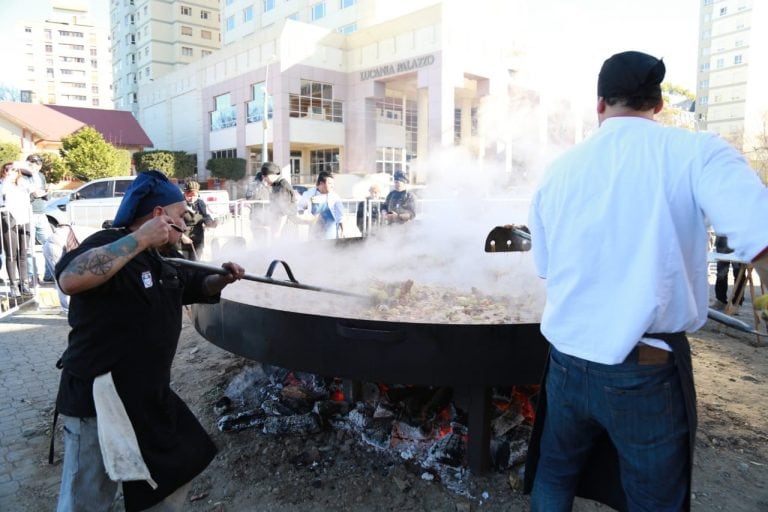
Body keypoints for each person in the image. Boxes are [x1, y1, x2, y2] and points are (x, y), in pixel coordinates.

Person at [525, 51, 768, 512]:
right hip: (645, 366)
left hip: (567, 362)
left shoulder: (558, 170)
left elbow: (547, 268)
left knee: (554, 474)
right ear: (658, 104)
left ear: (599, 105)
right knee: (654, 499)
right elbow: (762, 233)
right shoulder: (695, 151)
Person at [53, 170, 245, 511]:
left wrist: (221, 279)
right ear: (158, 216)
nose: (186, 227)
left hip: (147, 396)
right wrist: (139, 239)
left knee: (177, 468)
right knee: (87, 497)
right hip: (100, 399)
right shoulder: (106, 243)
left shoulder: (164, 259)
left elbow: (193, 287)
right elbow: (70, 279)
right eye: (181, 217)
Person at [42, 224, 95, 313]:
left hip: (55, 243)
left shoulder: (93, 233)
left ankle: (70, 309)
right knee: (62, 279)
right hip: (56, 244)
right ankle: (68, 310)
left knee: (62, 278)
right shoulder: (97, 237)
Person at [1, 161, 33, 298]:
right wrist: (7, 179)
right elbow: (3, 193)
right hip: (9, 218)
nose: (11, 172)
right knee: (11, 254)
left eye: (14, 170)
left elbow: (34, 185)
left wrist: (19, 166)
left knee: (23, 253)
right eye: (8, 169)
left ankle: (24, 283)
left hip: (24, 218)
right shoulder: (3, 184)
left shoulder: (23, 183)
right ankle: (13, 285)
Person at [23, 154, 54, 282]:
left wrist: (47, 191)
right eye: (31, 163)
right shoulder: (23, 176)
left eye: (37, 163)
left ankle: (49, 274)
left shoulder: (41, 176)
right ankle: (32, 276)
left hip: (41, 213)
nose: (34, 166)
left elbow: (46, 195)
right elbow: (24, 194)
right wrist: (33, 194)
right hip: (28, 213)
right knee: (29, 247)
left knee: (49, 243)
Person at [296, 171, 345, 239]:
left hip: (331, 233)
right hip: (314, 233)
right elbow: (300, 208)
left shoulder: (334, 196)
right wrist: (305, 217)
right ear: (321, 183)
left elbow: (341, 216)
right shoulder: (309, 194)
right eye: (330, 183)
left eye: (333, 183)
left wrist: (342, 231)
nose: (332, 186)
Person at [180, 180, 216, 260]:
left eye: (194, 195)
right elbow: (173, 223)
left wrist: (210, 223)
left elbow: (205, 216)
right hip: (183, 239)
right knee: (185, 264)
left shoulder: (200, 203)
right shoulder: (179, 204)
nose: (192, 198)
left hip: (198, 237)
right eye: (189, 194)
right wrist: (181, 236)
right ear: (184, 193)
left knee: (196, 262)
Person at [260, 161, 298, 238]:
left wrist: (278, 231)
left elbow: (284, 213)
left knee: (285, 248)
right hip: (279, 225)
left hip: (286, 227)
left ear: (272, 174)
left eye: (265, 177)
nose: (264, 180)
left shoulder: (283, 186)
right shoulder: (276, 185)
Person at [712, 234, 746, 312]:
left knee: (739, 273)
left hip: (739, 239)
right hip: (722, 239)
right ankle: (720, 301)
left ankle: (737, 304)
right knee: (721, 273)